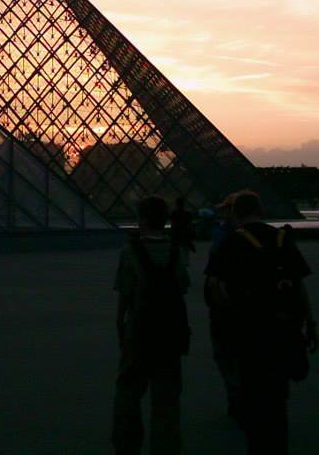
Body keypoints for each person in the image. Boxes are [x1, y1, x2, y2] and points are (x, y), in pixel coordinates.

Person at [205, 190, 318, 455]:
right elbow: (299, 285)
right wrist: (310, 322)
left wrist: (226, 323)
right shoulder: (281, 238)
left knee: (254, 400)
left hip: (249, 335)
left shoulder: (232, 242)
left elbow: (215, 287)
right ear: (261, 210)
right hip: (285, 330)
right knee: (278, 401)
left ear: (234, 213)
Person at [112, 196, 189, 455]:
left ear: (142, 219)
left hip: (139, 330)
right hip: (169, 331)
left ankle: (126, 446)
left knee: (128, 394)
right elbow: (182, 287)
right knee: (167, 399)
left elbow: (124, 294)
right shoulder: (178, 251)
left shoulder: (130, 251)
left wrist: (121, 327)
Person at [205, 193, 242, 420]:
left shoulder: (223, 236)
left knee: (227, 357)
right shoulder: (274, 237)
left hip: (227, 309)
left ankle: (237, 399)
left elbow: (214, 275)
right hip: (261, 311)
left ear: (232, 212)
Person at [169, 197, 196, 264]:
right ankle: (185, 261)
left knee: (177, 248)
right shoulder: (187, 213)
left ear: (176, 204)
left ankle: (179, 261)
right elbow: (190, 223)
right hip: (185, 233)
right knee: (185, 248)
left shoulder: (174, 213)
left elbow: (172, 222)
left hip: (176, 233)